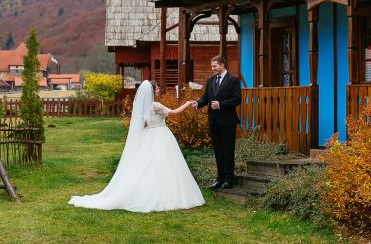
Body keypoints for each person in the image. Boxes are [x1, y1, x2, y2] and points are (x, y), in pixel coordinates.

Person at [68, 81, 204, 212]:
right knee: (162, 164)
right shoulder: (155, 105)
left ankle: (154, 191)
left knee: (150, 165)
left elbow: (144, 123)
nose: (158, 91)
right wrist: (186, 104)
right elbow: (173, 113)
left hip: (149, 136)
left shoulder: (144, 106)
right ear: (151, 92)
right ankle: (162, 194)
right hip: (160, 135)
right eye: (156, 89)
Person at [189, 55, 241, 189]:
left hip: (228, 122)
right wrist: (197, 103)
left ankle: (229, 180)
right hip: (213, 121)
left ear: (222, 65)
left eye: (214, 66)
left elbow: (237, 100)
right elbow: (206, 98)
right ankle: (220, 179)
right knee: (218, 151)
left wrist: (221, 104)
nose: (212, 68)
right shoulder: (210, 81)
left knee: (228, 151)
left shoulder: (233, 80)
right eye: (212, 66)